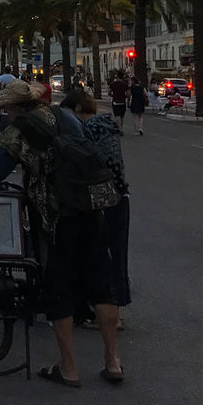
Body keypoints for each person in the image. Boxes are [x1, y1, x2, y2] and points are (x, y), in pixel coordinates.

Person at [0, 79, 123, 387]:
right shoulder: (64, 115)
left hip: (57, 215)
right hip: (92, 205)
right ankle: (113, 362)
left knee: (59, 288)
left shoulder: (19, 130)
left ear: (14, 107)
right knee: (101, 285)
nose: (6, 115)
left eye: (7, 110)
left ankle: (68, 369)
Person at [62, 90, 132, 326]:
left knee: (102, 256)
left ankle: (107, 314)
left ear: (79, 110)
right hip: (121, 196)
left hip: (104, 199)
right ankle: (116, 311)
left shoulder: (89, 130)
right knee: (117, 255)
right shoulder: (106, 126)